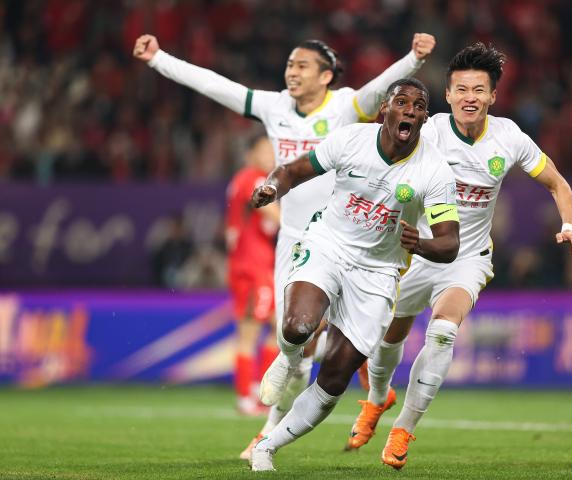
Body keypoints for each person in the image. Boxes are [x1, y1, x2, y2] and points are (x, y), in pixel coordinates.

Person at [133, 32, 435, 455]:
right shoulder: (274, 107)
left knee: (311, 342)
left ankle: (271, 430)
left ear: (325, 76)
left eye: (302, 66)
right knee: (293, 337)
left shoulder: (346, 106)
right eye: (290, 64)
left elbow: (384, 89)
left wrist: (414, 59)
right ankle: (338, 382)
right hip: (294, 238)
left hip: (343, 236)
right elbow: (216, 85)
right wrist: (158, 59)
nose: (292, 72)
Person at [344, 42, 572, 470]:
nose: (469, 97)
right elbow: (379, 155)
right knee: (387, 337)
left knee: (442, 333)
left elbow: (558, 184)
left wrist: (569, 227)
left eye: (479, 89)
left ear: (493, 95)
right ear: (448, 94)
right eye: (461, 89)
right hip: (414, 251)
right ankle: (377, 398)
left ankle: (403, 429)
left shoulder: (508, 137)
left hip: (466, 257)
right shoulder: (430, 131)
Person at [248, 78, 460, 472]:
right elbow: (294, 169)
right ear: (385, 110)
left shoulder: (434, 171)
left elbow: (449, 244)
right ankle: (289, 357)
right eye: (402, 101)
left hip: (379, 272)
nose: (410, 110)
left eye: (418, 106)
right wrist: (272, 188)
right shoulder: (351, 140)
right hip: (329, 244)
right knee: (298, 325)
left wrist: (421, 243)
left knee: (334, 377)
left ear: (424, 118)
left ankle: (267, 447)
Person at [225, 135, 280, 415]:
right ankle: (245, 396)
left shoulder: (241, 179)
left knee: (278, 326)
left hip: (254, 263)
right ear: (251, 154)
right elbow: (275, 216)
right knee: (249, 332)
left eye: (273, 151)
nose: (271, 156)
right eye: (265, 150)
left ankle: (260, 388)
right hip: (252, 265)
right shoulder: (254, 178)